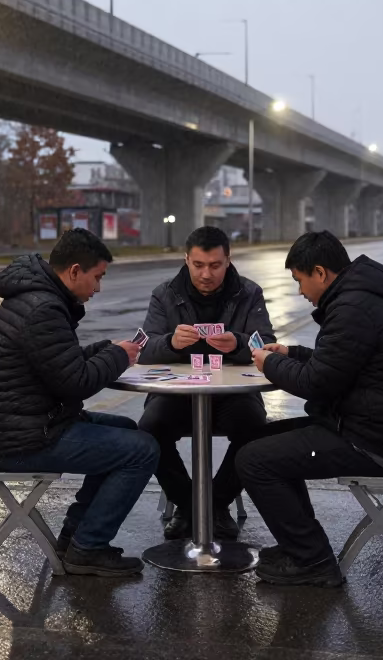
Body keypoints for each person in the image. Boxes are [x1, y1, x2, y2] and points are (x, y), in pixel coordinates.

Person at [241, 230, 383, 587]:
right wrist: (291, 354)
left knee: (255, 460)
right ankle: (298, 547)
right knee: (261, 440)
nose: (300, 291)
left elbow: (316, 383)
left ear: (320, 272)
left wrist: (267, 363)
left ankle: (312, 561)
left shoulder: (352, 309)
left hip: (373, 442)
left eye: (299, 281)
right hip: (371, 427)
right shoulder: (359, 300)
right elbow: (340, 365)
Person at [0, 228, 159, 577]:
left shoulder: (38, 298)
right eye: (97, 277)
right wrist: (117, 357)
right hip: (24, 441)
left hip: (29, 426)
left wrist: (109, 349)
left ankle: (75, 535)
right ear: (74, 271)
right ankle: (88, 548)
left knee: (127, 430)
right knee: (142, 449)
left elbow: (60, 365)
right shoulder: (43, 308)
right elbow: (76, 383)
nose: (99, 287)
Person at [137, 226, 275, 540]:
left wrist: (238, 344)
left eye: (215, 265)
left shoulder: (248, 292)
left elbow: (265, 344)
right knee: (149, 430)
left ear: (228, 260)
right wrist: (171, 343)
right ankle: (188, 505)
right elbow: (144, 350)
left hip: (233, 395)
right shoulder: (165, 293)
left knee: (254, 429)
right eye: (198, 265)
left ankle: (216, 504)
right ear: (186, 260)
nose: (206, 274)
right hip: (177, 394)